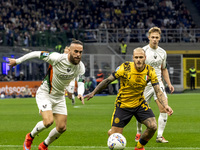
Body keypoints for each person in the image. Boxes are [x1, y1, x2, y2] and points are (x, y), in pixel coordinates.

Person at [84, 48, 173, 150]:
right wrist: (93, 92)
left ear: (145, 58)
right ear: (133, 58)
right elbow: (107, 81)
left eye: (141, 57)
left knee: (153, 126)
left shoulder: (150, 70)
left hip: (139, 103)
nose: (138, 60)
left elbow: (158, 90)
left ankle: (139, 147)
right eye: (136, 57)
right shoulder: (125, 67)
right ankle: (112, 132)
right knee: (115, 138)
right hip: (123, 105)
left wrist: (165, 105)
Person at [8, 39, 85, 150]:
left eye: (80, 52)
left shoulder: (80, 66)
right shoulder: (57, 58)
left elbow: (81, 81)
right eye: (76, 51)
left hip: (59, 97)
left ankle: (43, 145)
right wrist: (17, 61)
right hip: (45, 94)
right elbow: (36, 53)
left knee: (62, 127)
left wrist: (81, 93)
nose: (78, 55)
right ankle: (30, 137)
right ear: (70, 51)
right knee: (48, 121)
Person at [135, 27, 174, 143]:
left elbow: (164, 69)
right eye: (152, 37)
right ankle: (138, 132)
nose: (155, 39)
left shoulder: (163, 52)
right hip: (145, 84)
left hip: (158, 84)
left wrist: (169, 83)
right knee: (140, 110)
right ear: (149, 37)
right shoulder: (143, 51)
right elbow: (137, 67)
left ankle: (159, 136)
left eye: (157, 37)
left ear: (160, 38)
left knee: (163, 108)